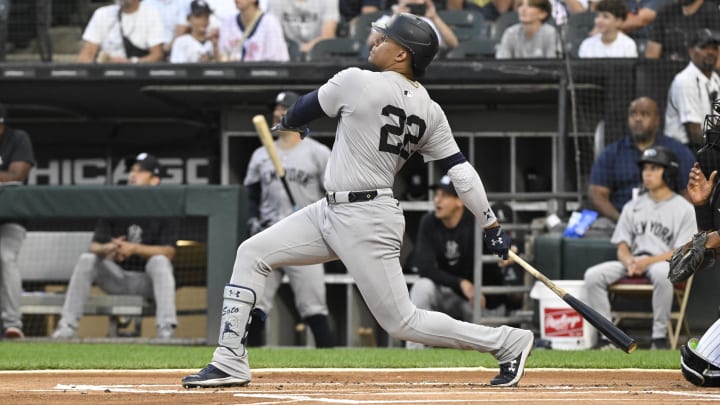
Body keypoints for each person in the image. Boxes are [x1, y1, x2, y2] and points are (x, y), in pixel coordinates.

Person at [182, 13, 533, 389]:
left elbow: (299, 110)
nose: (374, 43)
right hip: (331, 210)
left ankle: (507, 341)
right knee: (252, 252)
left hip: (367, 216)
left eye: (384, 40)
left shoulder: (356, 81)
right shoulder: (430, 109)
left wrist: (291, 123)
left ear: (403, 55)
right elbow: (462, 172)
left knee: (402, 322)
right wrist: (491, 225)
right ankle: (229, 360)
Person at [52, 153, 179, 340]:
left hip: (147, 281)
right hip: (117, 278)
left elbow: (169, 251)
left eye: (140, 171)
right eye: (132, 170)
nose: (133, 175)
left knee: (159, 262)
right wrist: (110, 248)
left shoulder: (165, 207)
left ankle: (165, 331)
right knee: (87, 259)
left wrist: (133, 248)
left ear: (154, 180)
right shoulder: (116, 202)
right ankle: (67, 328)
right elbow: (94, 246)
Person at [244, 91, 335, 348]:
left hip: (306, 237)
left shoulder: (318, 152)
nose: (278, 113)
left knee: (313, 306)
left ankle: (331, 366)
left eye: (285, 108)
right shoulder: (260, 155)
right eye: (276, 109)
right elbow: (252, 194)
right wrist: (252, 219)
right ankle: (251, 362)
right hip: (269, 235)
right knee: (256, 305)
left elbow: (333, 193)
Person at [584, 145, 697, 350]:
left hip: (663, 264)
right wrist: (629, 261)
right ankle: (608, 337)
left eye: (654, 168)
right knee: (593, 275)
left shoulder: (684, 208)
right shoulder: (632, 205)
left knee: (663, 273)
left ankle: (658, 339)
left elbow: (680, 252)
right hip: (634, 261)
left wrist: (646, 262)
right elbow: (622, 245)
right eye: (645, 168)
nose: (647, 173)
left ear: (668, 171)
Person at [406, 176, 517, 349]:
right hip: (450, 295)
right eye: (437, 195)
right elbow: (424, 267)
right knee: (422, 287)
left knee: (485, 346)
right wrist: (460, 283)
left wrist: (509, 251)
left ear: (459, 201)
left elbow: (501, 245)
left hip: (480, 300)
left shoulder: (477, 221)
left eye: (444, 195)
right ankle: (414, 356)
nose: (437, 200)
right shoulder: (429, 222)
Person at [588, 96, 695, 224]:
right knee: (600, 224)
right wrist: (621, 220)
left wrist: (671, 220)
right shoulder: (612, 153)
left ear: (657, 120)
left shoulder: (677, 151)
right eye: (633, 114)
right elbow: (597, 192)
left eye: (644, 114)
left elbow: (690, 192)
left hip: (666, 222)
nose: (637, 119)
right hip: (620, 220)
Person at [0, 104, 35, 339]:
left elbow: (16, 175)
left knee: (4, 256)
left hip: (10, 219)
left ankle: (13, 323)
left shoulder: (17, 138)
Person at [664, 29, 720, 149]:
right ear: (691, 51)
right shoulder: (684, 80)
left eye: (714, 48)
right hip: (681, 148)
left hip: (708, 146)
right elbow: (694, 133)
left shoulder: (716, 80)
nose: (710, 52)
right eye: (704, 47)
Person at [77, 0, 165, 64]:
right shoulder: (102, 14)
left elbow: (157, 55)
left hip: (136, 73)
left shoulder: (151, 14)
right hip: (105, 73)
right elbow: (87, 53)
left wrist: (130, 62)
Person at [644, 0, 720, 64]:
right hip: (666, 76)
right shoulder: (666, 12)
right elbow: (651, 58)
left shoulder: (714, 15)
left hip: (699, 77)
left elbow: (718, 63)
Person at [367, 1, 459, 52]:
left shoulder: (431, 20)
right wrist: (396, 18)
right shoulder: (387, 19)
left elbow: (453, 43)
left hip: (430, 67)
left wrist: (434, 17)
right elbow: (371, 41)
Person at [217, 0, 289, 62]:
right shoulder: (228, 23)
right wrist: (214, 44)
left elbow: (278, 62)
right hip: (233, 76)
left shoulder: (270, 22)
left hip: (261, 76)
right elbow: (221, 61)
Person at [266, 0, 340, 56]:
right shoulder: (275, 1)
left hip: (320, 55)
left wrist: (303, 49)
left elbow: (328, 36)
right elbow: (273, 36)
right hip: (286, 54)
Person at [495, 0, 559, 59]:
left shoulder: (550, 33)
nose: (523, 9)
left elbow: (553, 62)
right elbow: (502, 61)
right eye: (521, 5)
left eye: (530, 6)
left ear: (542, 14)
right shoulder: (510, 32)